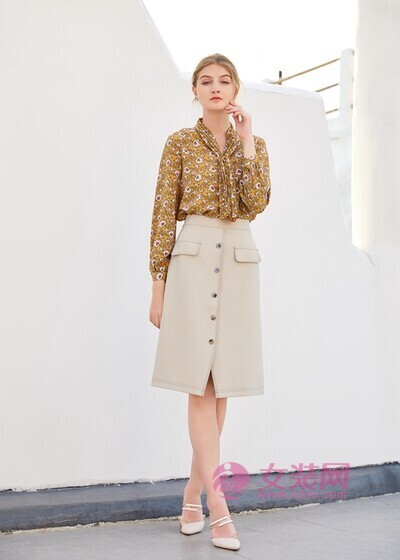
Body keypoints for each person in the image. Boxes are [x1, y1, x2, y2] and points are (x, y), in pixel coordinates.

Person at [148, 53, 271, 551]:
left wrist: (246, 140)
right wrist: (158, 286)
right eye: (205, 81)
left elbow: (255, 203)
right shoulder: (178, 143)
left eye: (224, 80)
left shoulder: (254, 145)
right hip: (193, 262)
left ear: (235, 89)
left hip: (238, 259)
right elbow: (163, 214)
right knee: (199, 386)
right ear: (195, 91)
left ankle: (192, 495)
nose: (215, 87)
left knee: (220, 388)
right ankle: (219, 507)